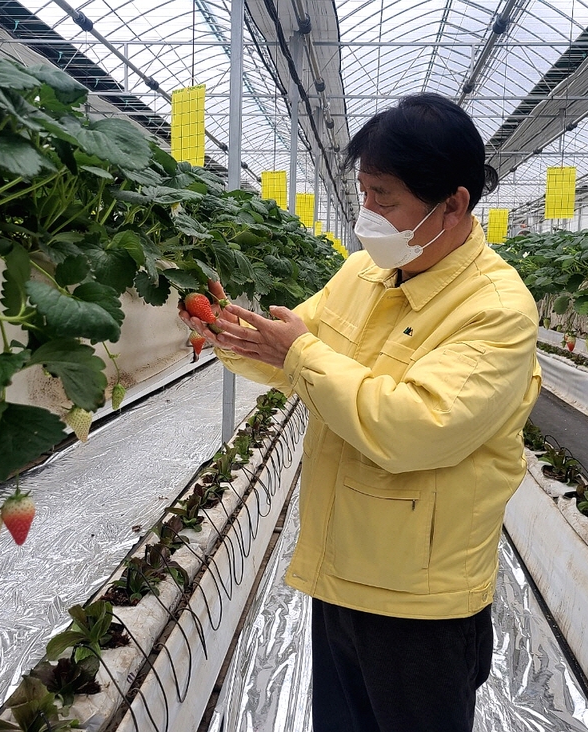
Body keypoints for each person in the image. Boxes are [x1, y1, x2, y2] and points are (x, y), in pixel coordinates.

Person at [180, 92, 541, 732]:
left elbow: (411, 428)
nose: (366, 211)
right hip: (343, 573)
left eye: (384, 196)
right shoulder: (363, 274)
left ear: (453, 203)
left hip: (419, 602)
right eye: (364, 192)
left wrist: (300, 355)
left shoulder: (496, 309)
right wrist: (228, 330)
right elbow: (293, 346)